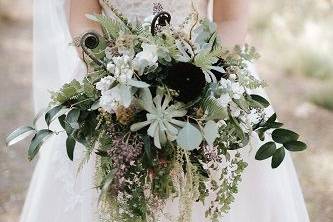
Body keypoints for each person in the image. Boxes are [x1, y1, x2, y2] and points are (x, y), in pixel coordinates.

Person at [21, 0, 310, 221]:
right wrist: (113, 80)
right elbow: (84, 18)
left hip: (208, 79)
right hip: (110, 80)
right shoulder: (109, 79)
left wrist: (204, 84)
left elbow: (230, 17)